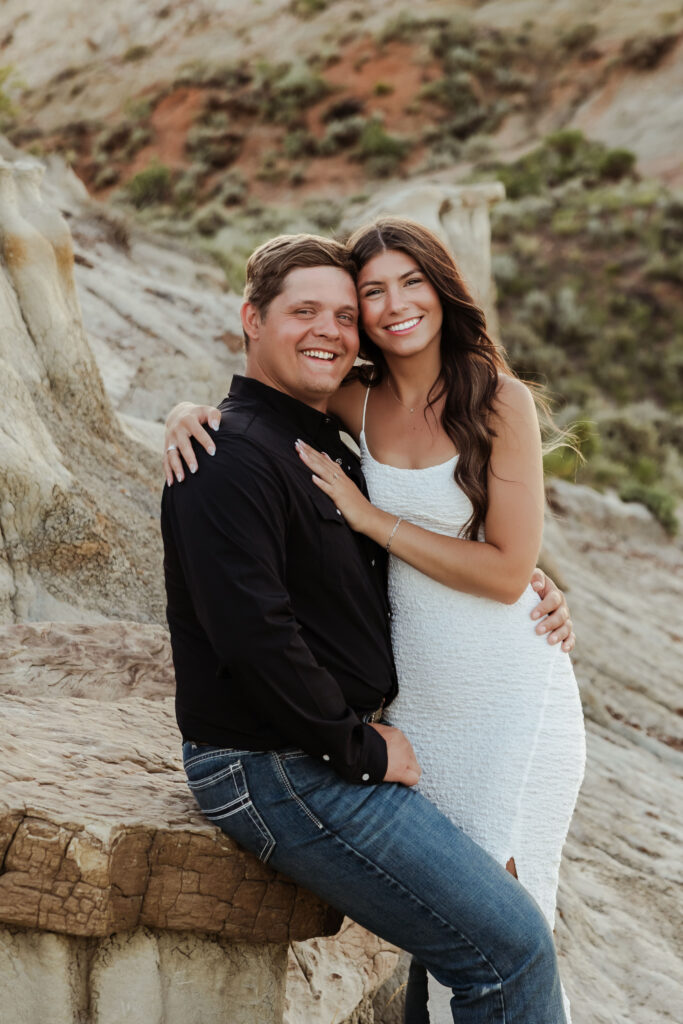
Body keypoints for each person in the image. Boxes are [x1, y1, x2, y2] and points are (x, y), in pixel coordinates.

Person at [161, 231, 574, 1024]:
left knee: (482, 930)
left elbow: (462, 552)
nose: (338, 326)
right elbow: (256, 638)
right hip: (285, 759)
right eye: (308, 309)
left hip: (443, 705)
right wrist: (357, 747)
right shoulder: (238, 450)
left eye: (343, 313)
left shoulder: (325, 429)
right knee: (509, 944)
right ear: (250, 317)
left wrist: (529, 583)